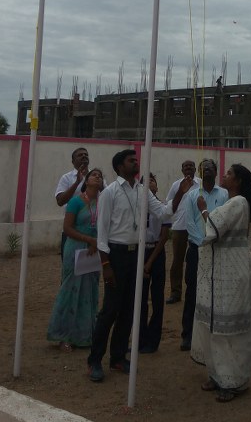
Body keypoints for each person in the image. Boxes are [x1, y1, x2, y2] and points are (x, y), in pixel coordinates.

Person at [87, 149, 192, 382]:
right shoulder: (110, 192)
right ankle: (94, 360)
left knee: (129, 309)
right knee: (110, 310)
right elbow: (102, 232)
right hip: (116, 254)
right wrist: (105, 264)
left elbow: (164, 212)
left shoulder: (142, 191)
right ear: (119, 166)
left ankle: (117, 357)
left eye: (136, 160)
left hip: (137, 254)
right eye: (131, 160)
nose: (136, 163)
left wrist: (180, 194)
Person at [194, 163, 251, 403]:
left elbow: (215, 227)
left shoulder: (239, 202)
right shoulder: (234, 202)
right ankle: (218, 374)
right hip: (221, 273)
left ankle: (234, 380)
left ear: (238, 181)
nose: (225, 175)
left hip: (231, 274)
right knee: (215, 325)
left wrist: (203, 209)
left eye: (229, 173)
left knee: (230, 329)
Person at [47, 168, 104, 352]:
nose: (97, 177)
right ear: (86, 181)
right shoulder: (75, 201)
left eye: (100, 176)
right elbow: (67, 228)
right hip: (76, 248)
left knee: (89, 290)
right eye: (94, 175)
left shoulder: (103, 202)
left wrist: (97, 242)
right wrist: (88, 240)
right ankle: (63, 335)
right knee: (70, 289)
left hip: (94, 250)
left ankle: (85, 335)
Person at [180, 158, 228, 352]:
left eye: (210, 167)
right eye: (204, 167)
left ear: (216, 172)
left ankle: (214, 333)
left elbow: (225, 220)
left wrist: (214, 241)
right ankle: (187, 335)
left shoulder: (224, 194)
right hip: (197, 249)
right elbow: (190, 222)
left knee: (217, 292)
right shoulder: (192, 195)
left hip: (219, 250)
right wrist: (203, 242)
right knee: (193, 292)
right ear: (199, 173)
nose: (207, 169)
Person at [138, 174, 170, 353]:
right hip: (140, 252)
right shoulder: (137, 207)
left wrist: (149, 262)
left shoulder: (163, 208)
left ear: (157, 186)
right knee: (140, 298)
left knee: (157, 298)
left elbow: (164, 237)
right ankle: (140, 339)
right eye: (145, 181)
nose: (148, 183)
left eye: (152, 180)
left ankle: (153, 340)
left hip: (156, 253)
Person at [165, 160, 200, 304]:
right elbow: (169, 203)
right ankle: (175, 292)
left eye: (191, 166)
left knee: (196, 260)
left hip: (197, 228)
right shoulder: (176, 185)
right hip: (179, 227)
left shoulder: (201, 184)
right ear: (182, 170)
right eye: (186, 166)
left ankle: (196, 292)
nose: (188, 168)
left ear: (195, 169)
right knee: (177, 261)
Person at [55, 147, 91, 258]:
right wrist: (77, 183)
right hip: (71, 231)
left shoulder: (96, 176)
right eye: (80, 155)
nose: (84, 156)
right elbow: (60, 201)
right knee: (70, 265)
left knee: (90, 266)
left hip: (92, 231)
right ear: (73, 161)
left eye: (86, 154)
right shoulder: (66, 178)